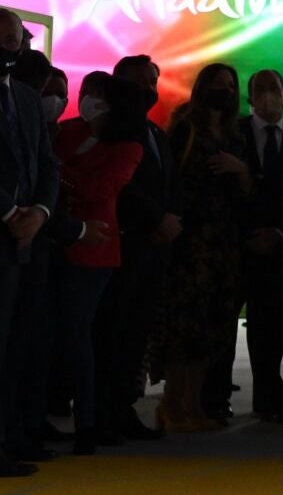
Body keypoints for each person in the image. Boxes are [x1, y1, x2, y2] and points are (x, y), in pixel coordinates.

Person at [149, 64, 247, 434]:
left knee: (212, 327)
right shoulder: (187, 129)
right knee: (184, 327)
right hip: (191, 243)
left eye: (230, 85)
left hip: (224, 243)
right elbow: (172, 181)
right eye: (218, 83)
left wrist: (240, 170)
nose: (225, 90)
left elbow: (246, 191)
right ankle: (172, 404)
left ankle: (193, 404)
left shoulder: (235, 136)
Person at [51, 74, 147, 454]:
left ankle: (87, 422)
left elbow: (99, 190)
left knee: (78, 335)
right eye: (85, 92)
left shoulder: (128, 146)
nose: (87, 99)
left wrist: (56, 171)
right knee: (51, 335)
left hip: (94, 248)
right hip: (53, 239)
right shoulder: (68, 131)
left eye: (96, 94)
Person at [94, 55, 173, 446]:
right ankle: (100, 415)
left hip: (153, 251)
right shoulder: (111, 131)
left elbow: (168, 184)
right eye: (139, 81)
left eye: (152, 81)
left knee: (136, 335)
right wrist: (156, 220)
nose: (148, 88)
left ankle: (123, 409)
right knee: (111, 333)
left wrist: (170, 221)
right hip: (121, 245)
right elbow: (119, 185)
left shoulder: (156, 132)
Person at [230, 69, 283, 424]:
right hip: (240, 247)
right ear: (249, 97)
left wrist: (279, 233)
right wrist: (249, 234)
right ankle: (262, 398)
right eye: (258, 89)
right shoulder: (232, 136)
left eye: (272, 89)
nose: (266, 96)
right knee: (254, 329)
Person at [0, 12, 57, 478]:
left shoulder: (26, 97)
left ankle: (11, 438)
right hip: (7, 232)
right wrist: (8, 213)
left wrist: (39, 212)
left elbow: (47, 164)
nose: (8, 47)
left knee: (17, 346)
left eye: (13, 40)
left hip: (26, 243)